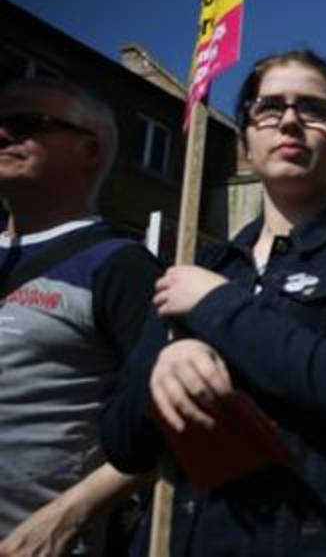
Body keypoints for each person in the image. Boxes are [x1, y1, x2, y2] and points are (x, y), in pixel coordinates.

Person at [100, 50, 326, 555]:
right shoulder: (202, 267)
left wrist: (215, 307)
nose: (291, 121)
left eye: (315, 110)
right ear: (245, 142)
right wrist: (165, 366)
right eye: (269, 109)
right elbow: (123, 443)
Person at [0, 78, 163, 556]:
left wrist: (65, 516)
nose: (3, 134)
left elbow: (168, 428)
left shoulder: (122, 267)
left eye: (26, 124)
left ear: (88, 150)